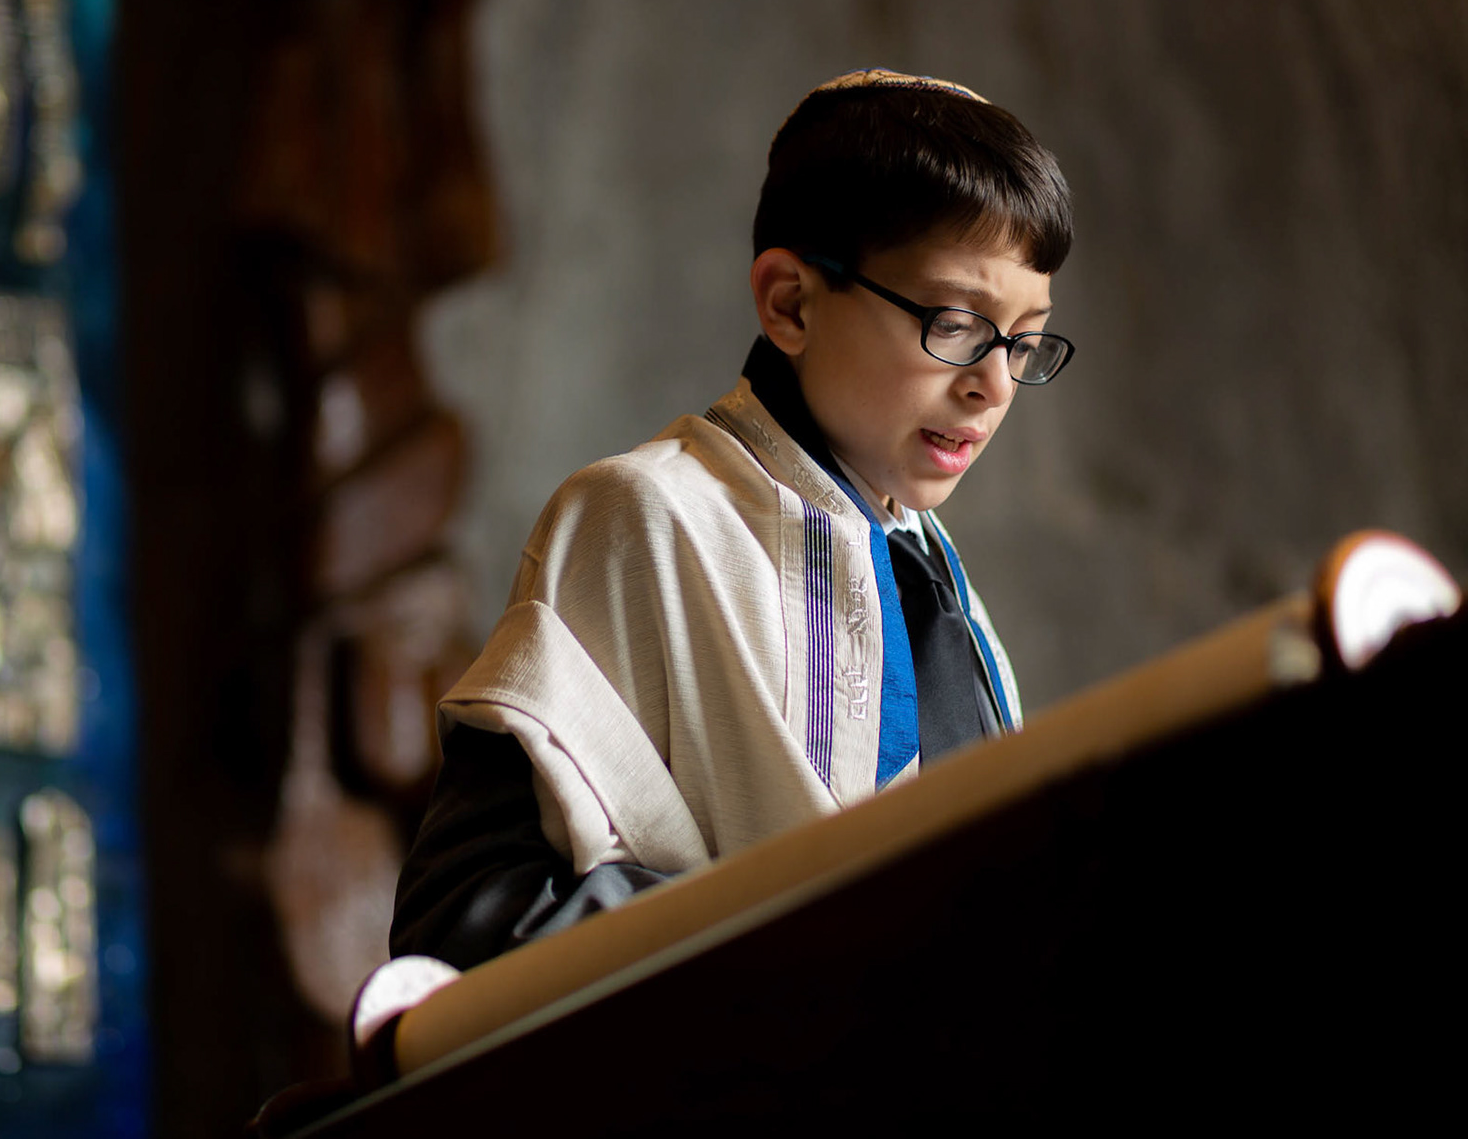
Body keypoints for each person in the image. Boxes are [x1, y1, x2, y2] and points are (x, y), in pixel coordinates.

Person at [389, 68, 1075, 971]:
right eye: (955, 324)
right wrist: (794, 948)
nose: (992, 384)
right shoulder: (645, 516)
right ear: (790, 300)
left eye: (1025, 341)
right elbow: (465, 916)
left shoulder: (939, 579)